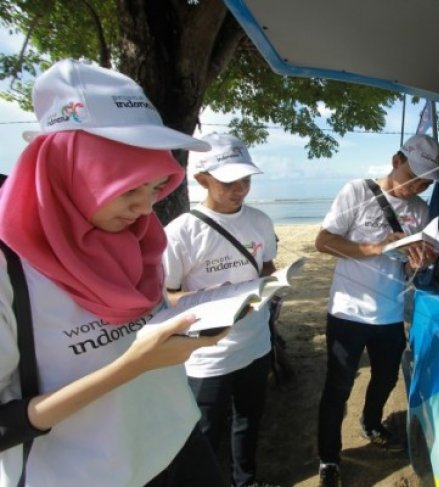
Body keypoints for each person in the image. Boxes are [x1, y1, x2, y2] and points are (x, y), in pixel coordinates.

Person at [0, 59, 230, 486]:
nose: (146, 208)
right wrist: (131, 366)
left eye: (156, 187)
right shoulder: (8, 265)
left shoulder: (136, 237)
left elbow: (149, 320)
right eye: (127, 188)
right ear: (70, 173)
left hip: (178, 440)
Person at [314, 134, 439, 487]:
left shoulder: (419, 210)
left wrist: (420, 260)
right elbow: (323, 241)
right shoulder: (356, 191)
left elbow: (406, 266)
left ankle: (371, 423)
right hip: (348, 312)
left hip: (389, 313)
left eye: (425, 182)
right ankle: (329, 458)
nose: (416, 186)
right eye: (413, 176)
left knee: (387, 378)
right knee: (338, 387)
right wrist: (374, 247)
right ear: (395, 160)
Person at [163, 133, 278, 487]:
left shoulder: (260, 221)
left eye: (245, 179)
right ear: (201, 179)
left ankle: (247, 481)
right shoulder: (181, 232)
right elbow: (165, 296)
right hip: (205, 356)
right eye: (229, 181)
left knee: (249, 420)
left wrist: (269, 288)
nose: (240, 188)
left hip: (256, 344)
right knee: (205, 434)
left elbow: (267, 269)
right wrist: (210, 299)